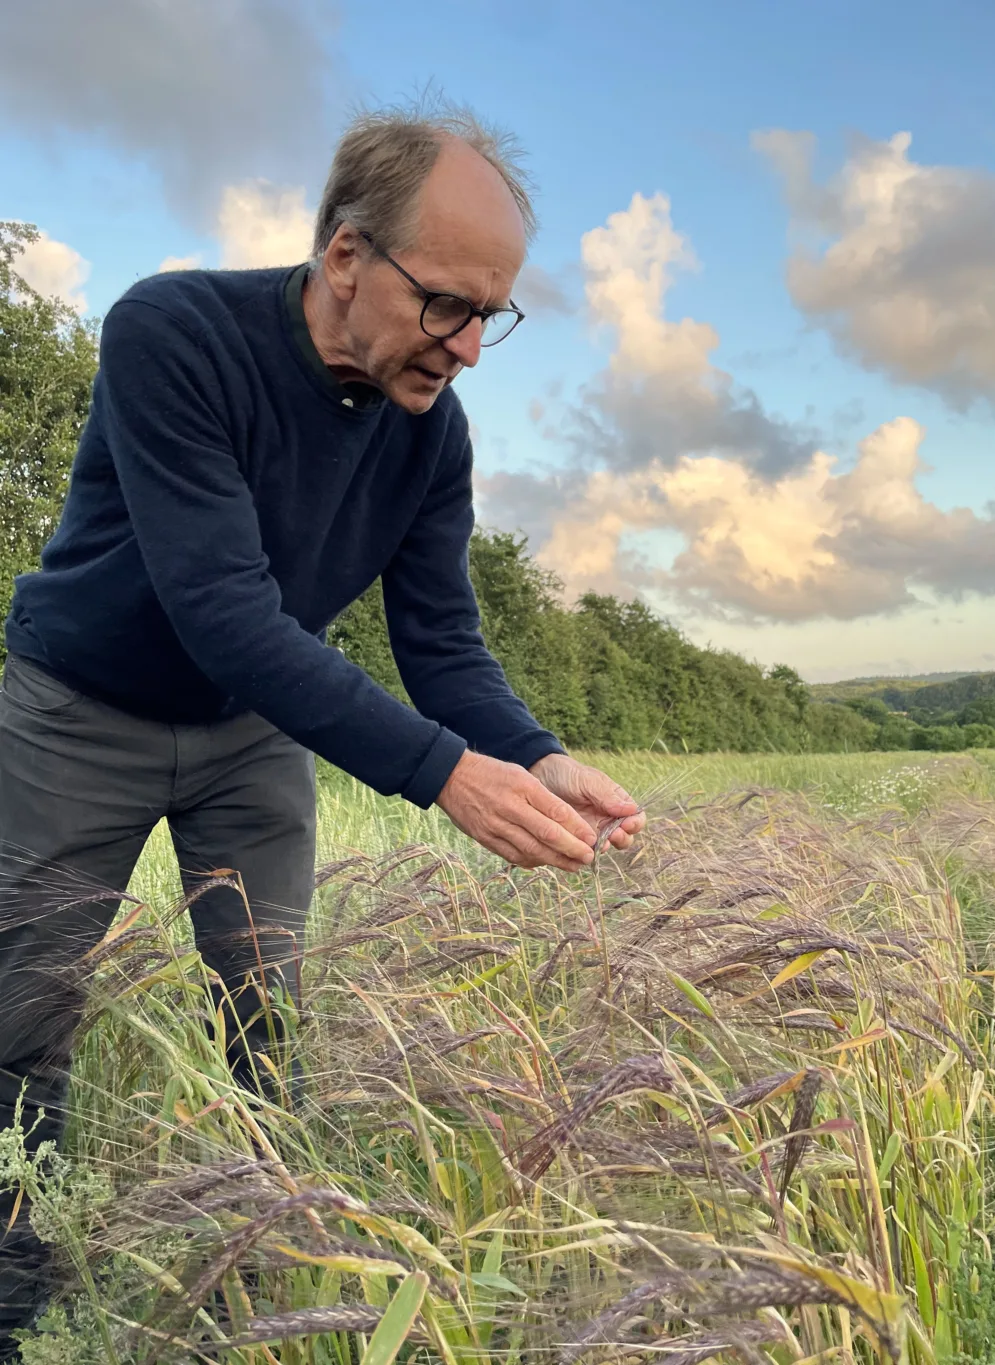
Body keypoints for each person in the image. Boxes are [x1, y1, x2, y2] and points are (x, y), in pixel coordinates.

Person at [0, 103, 645, 1350]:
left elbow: (443, 645)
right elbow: (222, 609)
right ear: (345, 256)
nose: (465, 350)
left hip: (252, 733)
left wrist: (538, 757)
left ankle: (260, 1274)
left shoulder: (428, 437)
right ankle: (24, 1306)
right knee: (23, 1011)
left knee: (266, 1011)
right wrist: (440, 774)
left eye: (490, 317)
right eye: (446, 305)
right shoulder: (172, 332)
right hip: (78, 714)